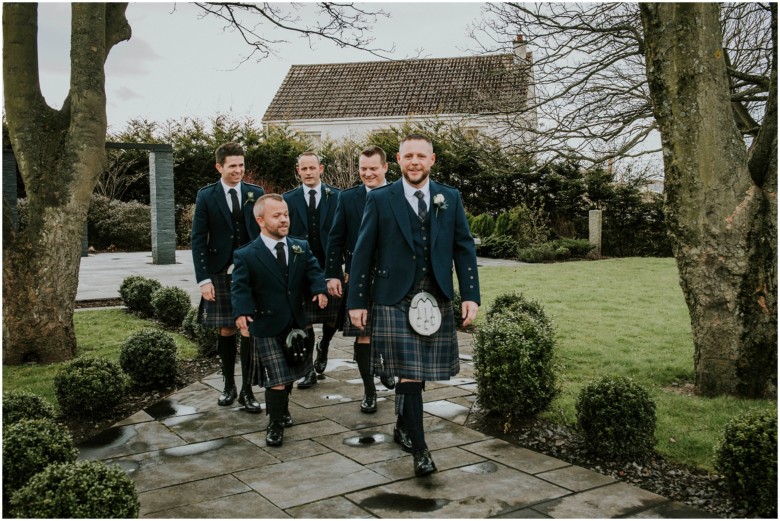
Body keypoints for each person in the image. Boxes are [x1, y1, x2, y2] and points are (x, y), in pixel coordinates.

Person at [347, 134, 480, 477]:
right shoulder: (380, 198)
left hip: (434, 294)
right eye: (409, 156)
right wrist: (357, 301)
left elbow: (463, 248)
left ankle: (403, 427)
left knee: (418, 374)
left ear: (432, 160)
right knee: (409, 370)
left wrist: (470, 295)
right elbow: (363, 253)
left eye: (421, 156)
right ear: (399, 159)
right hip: (393, 295)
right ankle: (421, 451)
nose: (415, 162)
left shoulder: (449, 197)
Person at [232, 194, 328, 446]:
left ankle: (282, 410)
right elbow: (240, 288)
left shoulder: (300, 247)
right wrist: (241, 312)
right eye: (277, 216)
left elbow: (314, 270)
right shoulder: (246, 255)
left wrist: (319, 289)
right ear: (260, 220)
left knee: (288, 376)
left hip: (296, 323)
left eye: (286, 214)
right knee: (276, 378)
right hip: (266, 324)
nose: (284, 219)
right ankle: (274, 424)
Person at [191, 142, 265, 412]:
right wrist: (203, 279)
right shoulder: (207, 196)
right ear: (219, 166)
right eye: (232, 166)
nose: (238, 170)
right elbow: (198, 239)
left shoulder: (256, 193)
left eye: (241, 165)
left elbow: (264, 233)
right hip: (218, 271)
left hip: (249, 271)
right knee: (226, 328)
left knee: (249, 329)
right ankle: (228, 385)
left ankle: (247, 390)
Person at [325, 146, 397, 416]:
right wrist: (332, 272)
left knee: (390, 331)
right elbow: (335, 238)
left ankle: (387, 369)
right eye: (363, 169)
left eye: (373, 168)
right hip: (359, 274)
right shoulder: (347, 198)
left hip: (393, 275)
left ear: (385, 167)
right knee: (363, 333)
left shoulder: (399, 194)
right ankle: (369, 391)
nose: (367, 173)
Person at [283, 152, 342, 389]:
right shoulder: (288, 198)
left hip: (331, 267)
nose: (308, 172)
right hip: (300, 269)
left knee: (333, 318)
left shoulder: (337, 197)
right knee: (304, 319)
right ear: (298, 170)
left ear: (321, 169)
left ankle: (325, 345)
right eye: (303, 168)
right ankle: (308, 370)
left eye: (312, 168)